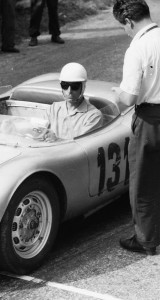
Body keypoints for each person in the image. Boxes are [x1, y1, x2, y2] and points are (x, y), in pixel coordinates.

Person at [112, 0, 160, 255]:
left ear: (129, 21)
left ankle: (146, 240)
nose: (126, 31)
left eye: (124, 27)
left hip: (150, 120)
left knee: (142, 183)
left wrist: (117, 93)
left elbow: (129, 98)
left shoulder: (137, 48)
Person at [44, 62, 103, 141]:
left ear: (83, 87)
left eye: (75, 86)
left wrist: (57, 140)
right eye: (65, 85)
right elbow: (41, 133)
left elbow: (82, 145)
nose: (69, 91)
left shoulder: (93, 116)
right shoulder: (53, 109)